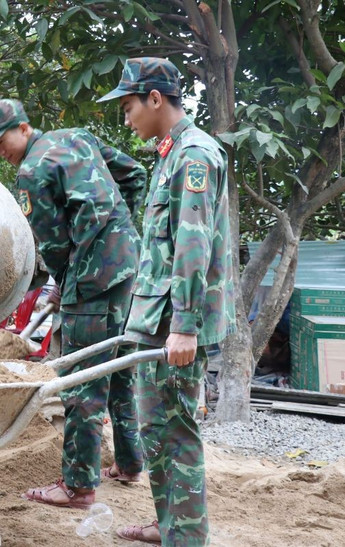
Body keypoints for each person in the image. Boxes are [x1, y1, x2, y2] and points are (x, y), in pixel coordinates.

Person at [0, 99, 148, 509]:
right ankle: (129, 462)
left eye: (1, 140)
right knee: (117, 366)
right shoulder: (77, 137)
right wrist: (117, 229)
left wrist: (63, 283)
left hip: (91, 280)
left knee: (81, 379)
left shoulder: (32, 172)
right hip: (128, 266)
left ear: (24, 128)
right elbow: (135, 175)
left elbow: (54, 245)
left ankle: (77, 485)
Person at [98, 58, 236, 545]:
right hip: (157, 318)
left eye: (128, 107)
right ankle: (169, 524)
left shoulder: (194, 155)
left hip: (172, 323)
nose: (126, 118)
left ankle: (186, 537)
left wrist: (185, 326)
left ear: (155, 99)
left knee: (175, 431)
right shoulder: (171, 153)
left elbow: (192, 247)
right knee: (156, 429)